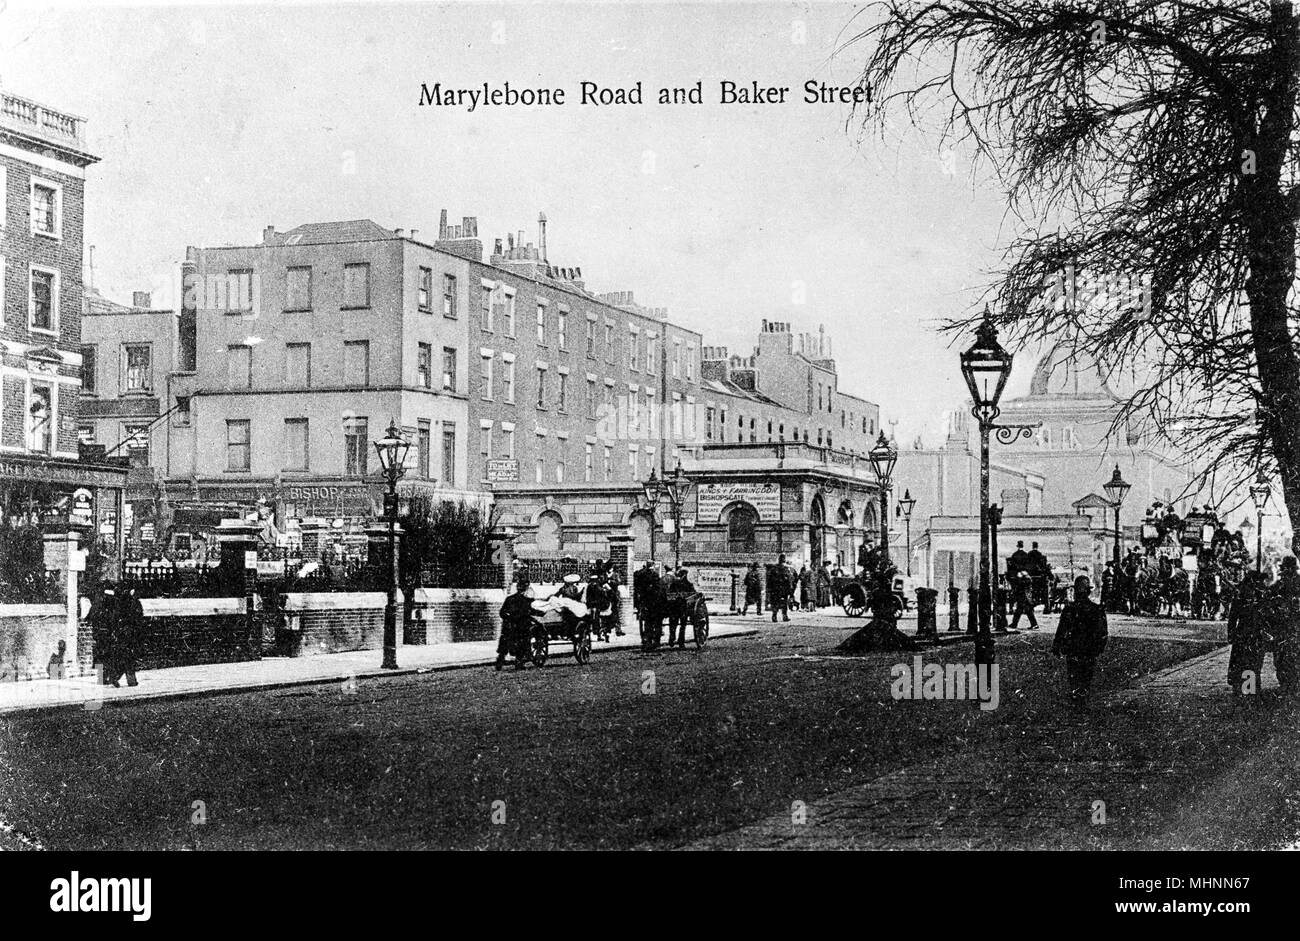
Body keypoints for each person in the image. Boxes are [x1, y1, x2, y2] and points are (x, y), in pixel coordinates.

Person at [1052, 575, 1109, 705]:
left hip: (1073, 648)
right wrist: (1099, 647)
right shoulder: (1096, 609)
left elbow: (1061, 630)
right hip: (1089, 650)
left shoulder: (1069, 609)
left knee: (1074, 674)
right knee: (1086, 675)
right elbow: (1102, 632)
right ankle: (1082, 697)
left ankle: (1077, 697)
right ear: (1088, 592)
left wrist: (1057, 645)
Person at [1226, 571, 1269, 699]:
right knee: (1250, 662)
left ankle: (1246, 689)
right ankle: (1248, 690)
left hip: (1247, 633)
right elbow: (1233, 616)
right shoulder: (1250, 594)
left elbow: (1232, 617)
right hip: (1249, 633)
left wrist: (1231, 634)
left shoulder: (1251, 593)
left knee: (1246, 662)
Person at [1269, 556, 1300, 695]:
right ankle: (1287, 684)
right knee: (1283, 657)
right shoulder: (1278, 586)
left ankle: (1288, 684)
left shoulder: (1280, 586)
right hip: (1284, 627)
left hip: (1289, 627)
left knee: (1285, 657)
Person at [107, 584, 144, 687]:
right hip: (131, 634)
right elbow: (139, 619)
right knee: (129, 658)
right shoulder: (134, 603)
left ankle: (117, 677)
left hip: (122, 634)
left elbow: (114, 618)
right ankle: (129, 680)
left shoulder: (119, 603)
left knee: (125, 657)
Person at [496, 574, 536, 671]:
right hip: (520, 627)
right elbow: (529, 613)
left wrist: (507, 617)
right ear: (525, 589)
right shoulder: (527, 601)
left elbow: (502, 612)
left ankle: (500, 661)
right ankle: (519, 662)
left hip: (508, 626)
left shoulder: (509, 599)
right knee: (522, 643)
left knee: (504, 645)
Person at [88, 583, 118, 685]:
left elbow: (89, 617)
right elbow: (115, 618)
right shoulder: (112, 602)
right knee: (109, 655)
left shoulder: (97, 603)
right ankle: (110, 677)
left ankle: (102, 678)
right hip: (108, 633)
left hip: (98, 634)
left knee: (101, 656)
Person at [666, 567, 696, 648]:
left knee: (673, 623)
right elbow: (693, 595)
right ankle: (681, 641)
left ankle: (672, 638)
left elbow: (669, 593)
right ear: (686, 575)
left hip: (673, 607)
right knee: (683, 624)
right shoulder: (689, 584)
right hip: (683, 607)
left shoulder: (674, 583)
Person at [769, 555, 791, 623]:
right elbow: (788, 581)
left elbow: (770, 580)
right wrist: (790, 590)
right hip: (783, 590)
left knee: (775, 603)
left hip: (775, 589)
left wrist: (770, 589)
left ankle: (774, 616)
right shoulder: (786, 569)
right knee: (784, 603)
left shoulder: (773, 569)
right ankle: (784, 616)